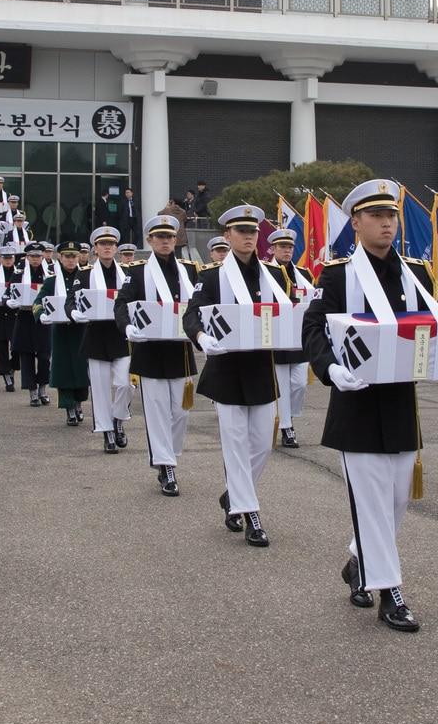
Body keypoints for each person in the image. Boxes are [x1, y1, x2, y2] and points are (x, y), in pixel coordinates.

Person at [303, 178, 438, 633]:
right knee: (370, 503)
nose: (387, 224)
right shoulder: (338, 274)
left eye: (391, 217)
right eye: (376, 217)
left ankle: (357, 562)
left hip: (401, 404)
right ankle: (391, 591)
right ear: (356, 222)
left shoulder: (416, 272)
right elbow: (311, 329)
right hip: (356, 404)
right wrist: (330, 370)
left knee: (396, 501)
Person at [184, 205, 288, 546]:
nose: (247, 236)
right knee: (236, 445)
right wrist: (201, 337)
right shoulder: (212, 276)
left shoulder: (272, 275)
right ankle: (251, 514)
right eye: (240, 231)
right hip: (226, 371)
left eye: (252, 231)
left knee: (261, 445)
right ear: (227, 236)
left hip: (261, 370)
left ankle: (233, 496)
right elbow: (192, 315)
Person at [115, 215, 201, 495]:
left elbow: (202, 305)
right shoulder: (137, 272)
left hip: (180, 352)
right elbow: (122, 304)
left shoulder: (189, 270)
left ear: (176, 240)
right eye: (159, 237)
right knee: (157, 412)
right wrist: (127, 327)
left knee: (180, 412)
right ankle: (166, 466)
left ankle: (170, 455)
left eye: (169, 237)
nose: (165, 242)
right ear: (150, 241)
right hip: (150, 351)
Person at [68, 226, 132, 455]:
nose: (107, 247)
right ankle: (108, 433)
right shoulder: (84, 274)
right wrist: (73, 313)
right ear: (95, 248)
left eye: (111, 244)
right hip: (96, 336)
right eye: (102, 244)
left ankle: (118, 418)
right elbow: (71, 300)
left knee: (125, 384)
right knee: (101, 388)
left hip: (121, 335)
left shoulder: (128, 273)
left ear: (116, 248)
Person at [268, 227, 313, 448]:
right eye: (282, 247)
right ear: (273, 249)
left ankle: (289, 416)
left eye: (289, 247)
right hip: (277, 338)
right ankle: (286, 427)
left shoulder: (304, 274)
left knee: (300, 384)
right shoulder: (265, 272)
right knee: (282, 385)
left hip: (298, 338)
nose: (287, 251)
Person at [37, 242, 89, 426]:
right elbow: (39, 300)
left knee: (82, 370)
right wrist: (41, 314)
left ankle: (79, 403)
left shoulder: (85, 276)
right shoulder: (52, 280)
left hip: (81, 330)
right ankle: (69, 408)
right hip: (61, 332)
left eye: (74, 256)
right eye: (67, 256)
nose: (71, 260)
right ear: (60, 257)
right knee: (64, 371)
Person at [9, 242, 52, 407]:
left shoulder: (50, 274)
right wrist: (11, 301)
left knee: (44, 357)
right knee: (26, 357)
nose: (35, 259)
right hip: (25, 318)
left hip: (42, 319)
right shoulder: (19, 274)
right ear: (27, 257)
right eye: (32, 256)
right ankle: (32, 391)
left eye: (38, 256)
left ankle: (42, 388)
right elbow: (9, 293)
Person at [0, 245, 21, 392]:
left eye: (10, 258)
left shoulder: (20, 274)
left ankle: (13, 366)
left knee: (18, 346)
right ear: (1, 259)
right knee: (1, 345)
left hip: (16, 314)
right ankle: (6, 374)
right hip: (0, 313)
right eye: (5, 258)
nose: (8, 261)